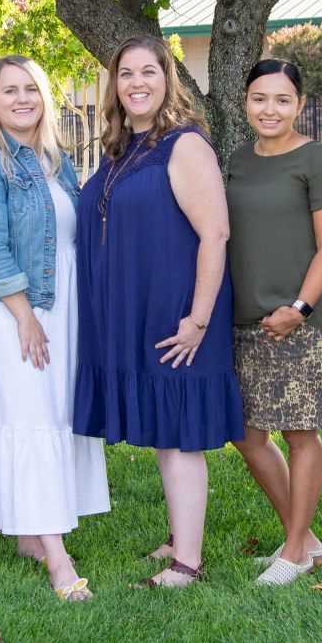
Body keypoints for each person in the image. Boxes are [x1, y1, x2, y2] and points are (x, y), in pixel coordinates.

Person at [74, 35, 243, 588]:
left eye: (149, 71)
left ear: (168, 79)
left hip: (180, 312)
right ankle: (177, 536)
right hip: (138, 311)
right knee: (164, 431)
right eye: (126, 73)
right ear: (114, 84)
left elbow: (215, 234)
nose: (137, 83)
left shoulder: (184, 144)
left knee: (179, 436)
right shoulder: (123, 148)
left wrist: (196, 320)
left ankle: (187, 564)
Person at [0, 55, 109, 601]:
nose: (22, 99)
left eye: (31, 89)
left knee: (54, 414)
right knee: (29, 416)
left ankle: (31, 534)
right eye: (9, 91)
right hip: (13, 310)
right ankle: (58, 561)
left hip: (61, 303)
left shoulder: (54, 160)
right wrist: (24, 314)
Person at [224, 59, 322, 587]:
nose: (268, 109)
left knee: (300, 432)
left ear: (299, 104)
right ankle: (305, 538)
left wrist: (298, 308)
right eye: (258, 98)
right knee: (247, 433)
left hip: (306, 321)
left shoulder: (317, 160)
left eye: (281, 99)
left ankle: (295, 551)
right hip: (246, 320)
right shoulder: (236, 159)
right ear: (245, 102)